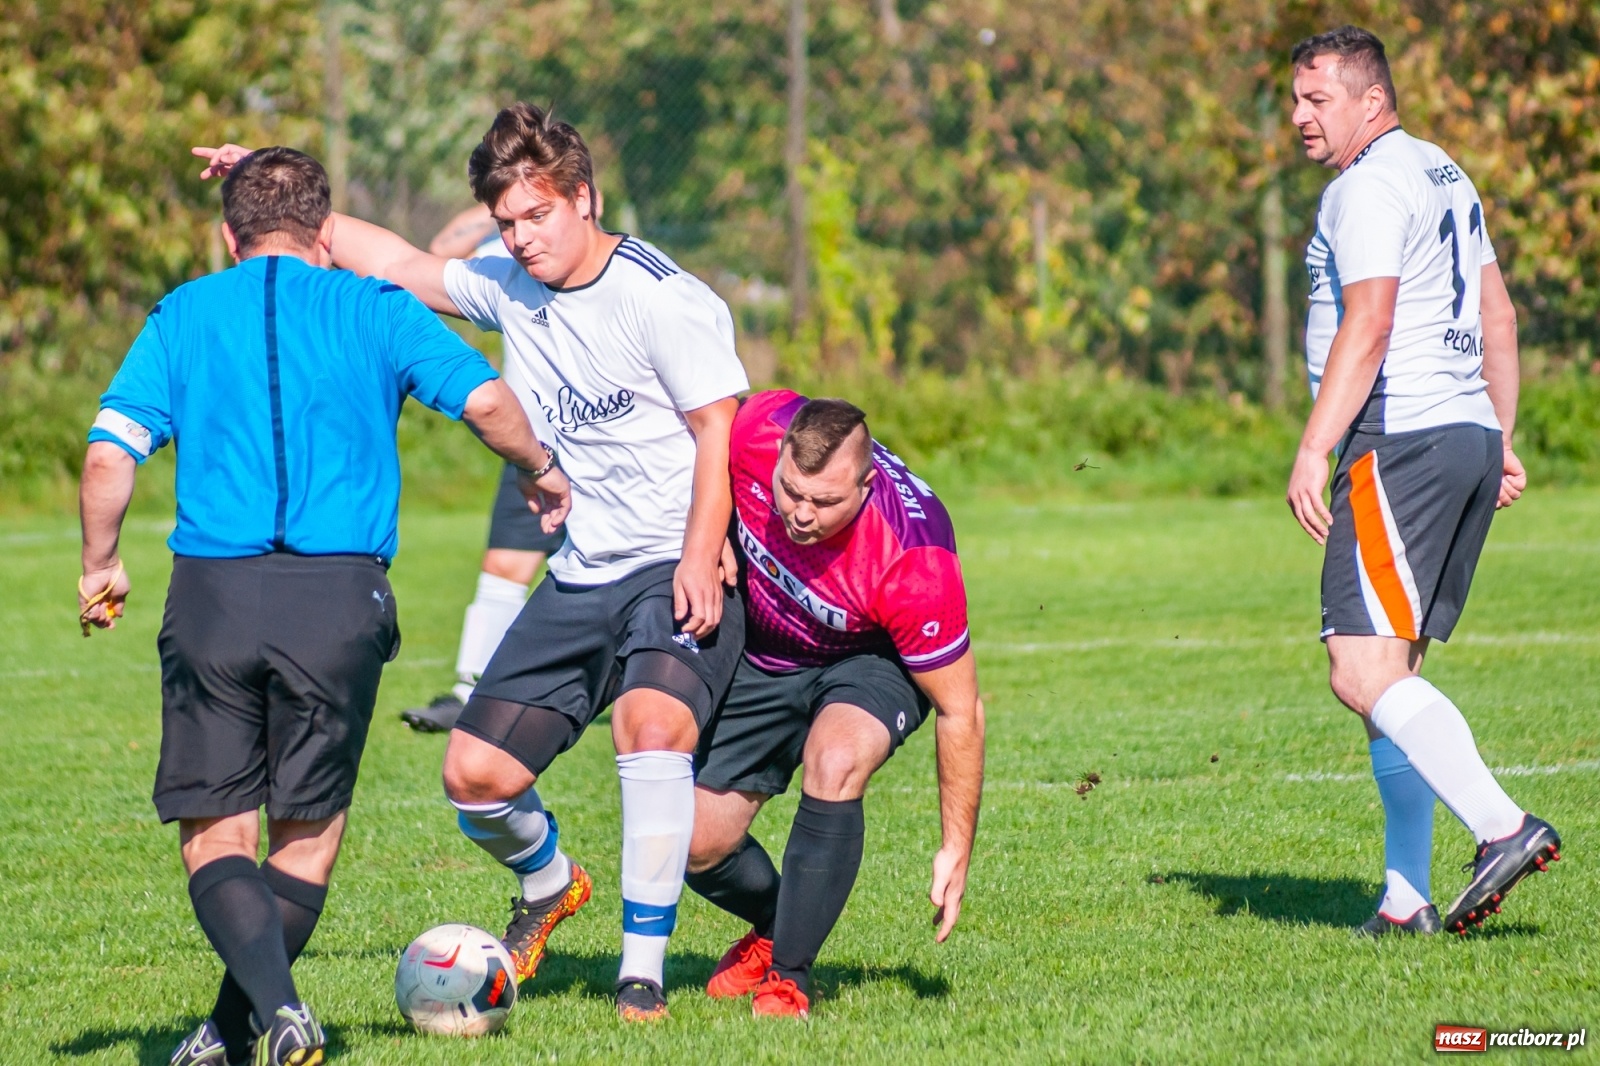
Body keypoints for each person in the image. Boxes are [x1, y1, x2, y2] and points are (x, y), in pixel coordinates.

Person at [197, 102, 750, 1021]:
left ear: (586, 197)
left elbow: (716, 424)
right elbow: (402, 265)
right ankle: (549, 883)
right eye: (507, 223)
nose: (523, 238)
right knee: (475, 776)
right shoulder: (510, 285)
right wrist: (272, 186)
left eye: (540, 215)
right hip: (582, 569)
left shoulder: (661, 294)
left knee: (650, 730)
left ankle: (640, 973)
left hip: (669, 562)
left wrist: (701, 555)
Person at [80, 147, 569, 1066]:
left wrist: (98, 563)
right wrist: (541, 471)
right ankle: (248, 1025)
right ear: (323, 229)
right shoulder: (377, 307)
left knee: (215, 833)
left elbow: (110, 455)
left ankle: (256, 1019)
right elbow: (489, 400)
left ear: (230, 236)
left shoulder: (182, 315)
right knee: (306, 834)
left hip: (214, 598)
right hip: (341, 599)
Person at [1283, 27, 1560, 938]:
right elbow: (1499, 314)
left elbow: (1370, 321)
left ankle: (1502, 825)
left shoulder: (1364, 186)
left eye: (1316, 100)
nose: (1298, 117)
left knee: (1358, 668)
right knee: (1392, 676)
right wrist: (1501, 435)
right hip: (1462, 434)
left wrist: (1315, 445)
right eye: (1295, 99)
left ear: (1371, 101)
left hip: (1398, 443)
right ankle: (1406, 900)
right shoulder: (1442, 169)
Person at [683, 391, 985, 1018]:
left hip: (868, 661)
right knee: (691, 842)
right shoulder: (756, 427)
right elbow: (699, 436)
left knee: (836, 759)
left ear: (867, 485)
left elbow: (962, 710)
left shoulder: (915, 558)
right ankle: (776, 925)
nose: (799, 514)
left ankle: (789, 977)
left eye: (824, 502)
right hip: (767, 655)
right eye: (790, 491)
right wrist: (707, 534)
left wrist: (956, 847)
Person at [401, 204, 566, 734]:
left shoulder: (612, 263)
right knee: (504, 566)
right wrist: (493, 209)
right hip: (535, 450)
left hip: (610, 449)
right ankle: (469, 693)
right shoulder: (512, 257)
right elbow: (434, 258)